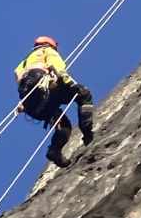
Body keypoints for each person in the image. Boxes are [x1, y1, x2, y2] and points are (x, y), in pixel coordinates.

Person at [14, 36, 94, 168]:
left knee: (64, 126)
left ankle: (54, 152)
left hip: (32, 101)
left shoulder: (24, 62)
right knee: (84, 94)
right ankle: (87, 132)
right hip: (45, 84)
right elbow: (57, 67)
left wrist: (25, 103)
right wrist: (69, 82)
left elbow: (18, 76)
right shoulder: (47, 50)